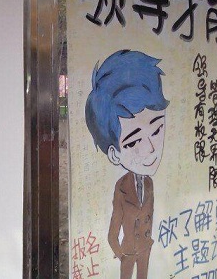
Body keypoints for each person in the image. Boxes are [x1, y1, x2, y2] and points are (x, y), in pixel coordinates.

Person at [84, 49, 169, 279]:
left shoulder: (149, 183)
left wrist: (148, 242)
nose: (150, 148)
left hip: (145, 248)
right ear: (114, 154)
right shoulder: (121, 187)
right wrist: (120, 253)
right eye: (133, 142)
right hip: (128, 252)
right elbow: (114, 226)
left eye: (157, 129)